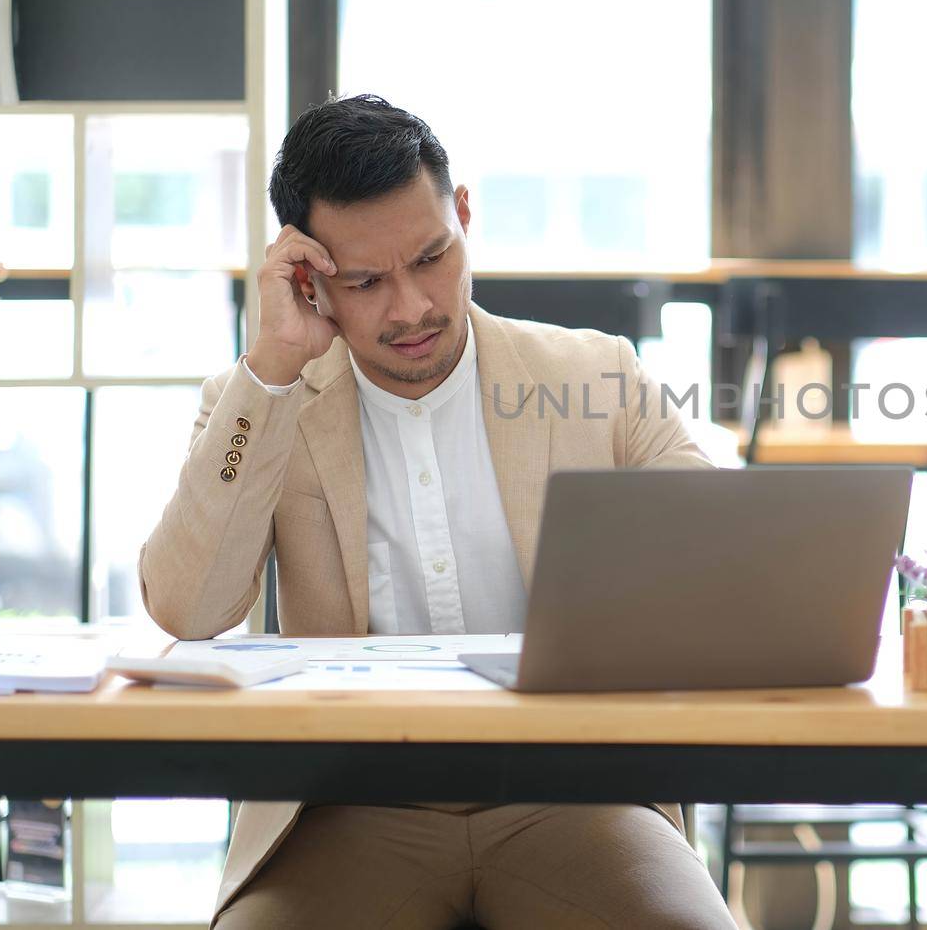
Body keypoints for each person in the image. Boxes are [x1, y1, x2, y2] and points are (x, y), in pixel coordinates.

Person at [139, 94, 735, 929]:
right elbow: (187, 606)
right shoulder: (263, 401)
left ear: (462, 214)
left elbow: (720, 562)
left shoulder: (595, 376)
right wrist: (274, 368)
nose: (412, 306)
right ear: (309, 278)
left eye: (431, 258)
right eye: (366, 281)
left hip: (571, 796)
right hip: (347, 808)